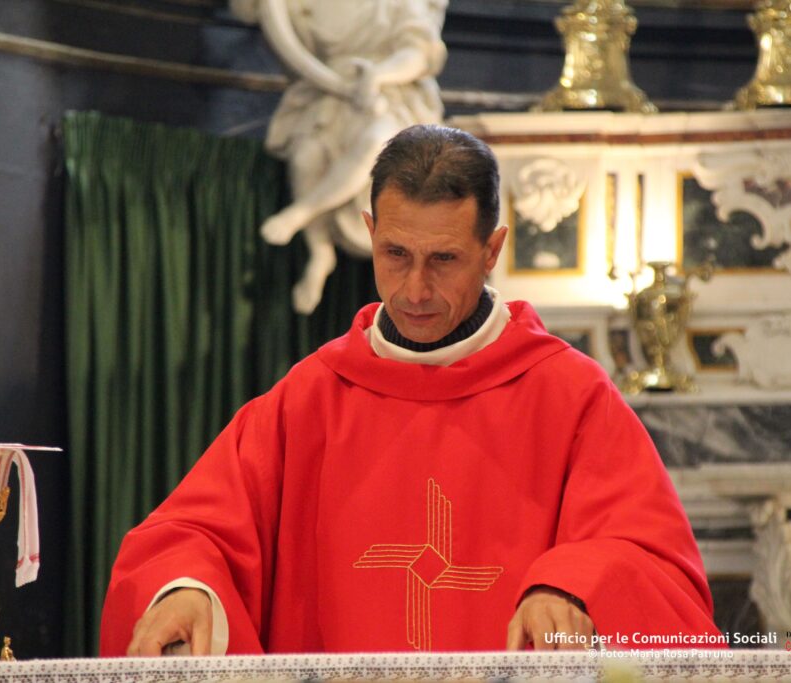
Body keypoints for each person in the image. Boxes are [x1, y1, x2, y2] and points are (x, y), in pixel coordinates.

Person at [100, 125, 720, 656]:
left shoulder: (568, 394)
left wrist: (574, 584)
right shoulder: (310, 398)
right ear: (370, 232)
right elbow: (192, 533)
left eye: (443, 259)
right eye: (395, 253)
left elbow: (654, 561)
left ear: (492, 250)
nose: (415, 289)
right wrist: (187, 588)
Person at [230, 0, 448, 314]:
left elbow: (419, 52)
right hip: (330, 91)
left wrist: (379, 76)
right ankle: (319, 250)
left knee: (378, 143)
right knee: (306, 157)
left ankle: (302, 212)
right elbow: (249, 11)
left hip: (388, 93)